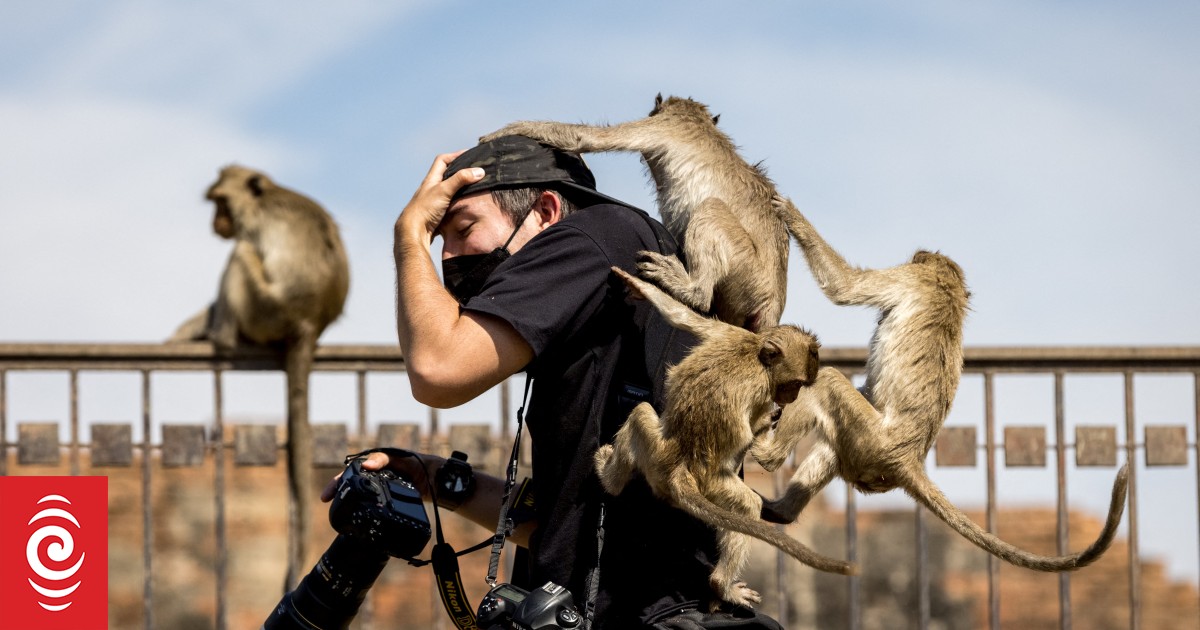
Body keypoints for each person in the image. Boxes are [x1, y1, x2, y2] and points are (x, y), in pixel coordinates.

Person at [323, 135, 782, 629]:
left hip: (645, 615)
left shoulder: (591, 238)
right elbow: (567, 525)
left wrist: (410, 234)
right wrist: (436, 480)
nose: (449, 259)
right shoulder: (612, 281)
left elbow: (438, 371)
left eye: (462, 229)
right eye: (439, 242)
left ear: (544, 211)